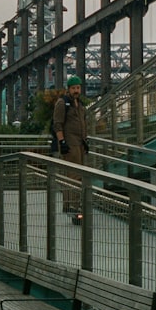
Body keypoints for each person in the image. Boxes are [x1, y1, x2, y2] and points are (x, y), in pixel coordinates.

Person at [52, 75, 89, 213]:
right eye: (73, 88)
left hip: (80, 144)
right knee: (74, 175)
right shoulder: (63, 103)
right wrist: (62, 141)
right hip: (70, 144)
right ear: (68, 89)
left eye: (78, 88)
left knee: (78, 175)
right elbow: (57, 124)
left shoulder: (80, 104)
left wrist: (86, 140)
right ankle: (73, 206)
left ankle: (71, 204)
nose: (76, 90)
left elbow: (83, 123)